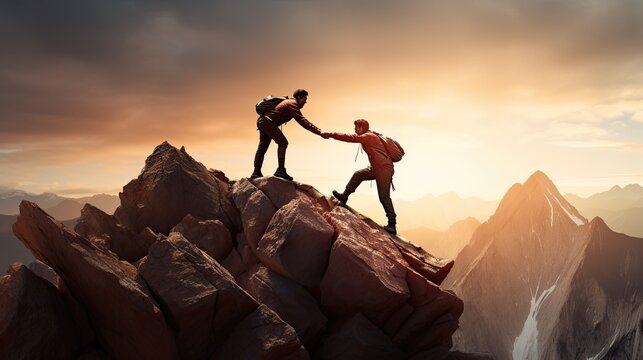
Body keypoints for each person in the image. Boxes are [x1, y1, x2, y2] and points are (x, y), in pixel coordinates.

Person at [321, 119, 398, 235]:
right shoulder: (370, 135)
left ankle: (392, 224)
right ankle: (344, 196)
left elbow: (349, 138)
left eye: (356, 127)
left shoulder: (368, 136)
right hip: (377, 168)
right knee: (359, 174)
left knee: (384, 197)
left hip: (383, 168)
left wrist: (331, 135)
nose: (355, 130)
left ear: (361, 127)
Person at [252, 88, 323, 180]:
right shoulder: (292, 104)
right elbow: (302, 121)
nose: (305, 102)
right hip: (267, 122)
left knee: (262, 147)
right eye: (305, 99)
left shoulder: (289, 103)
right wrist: (319, 131)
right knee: (283, 143)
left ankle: (256, 172)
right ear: (299, 97)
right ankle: (280, 170)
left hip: (263, 121)